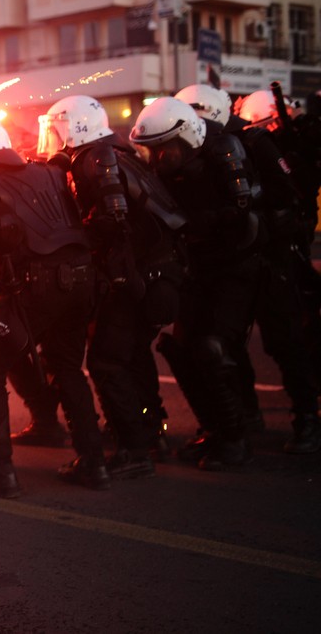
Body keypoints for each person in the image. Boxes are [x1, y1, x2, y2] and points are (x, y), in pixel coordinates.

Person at [0, 113, 105, 497]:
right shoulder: (47, 171)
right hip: (82, 279)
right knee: (68, 367)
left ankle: (0, 471)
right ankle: (94, 462)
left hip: (31, 287)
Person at [39, 95, 188, 478]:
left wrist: (73, 238)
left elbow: (113, 222)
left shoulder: (97, 159)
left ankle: (135, 449)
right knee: (133, 356)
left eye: (56, 130)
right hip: (156, 276)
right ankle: (151, 433)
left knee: (106, 362)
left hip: (136, 278)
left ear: (73, 127)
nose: (52, 139)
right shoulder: (116, 152)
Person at [130, 96, 260, 470]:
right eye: (151, 152)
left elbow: (242, 210)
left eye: (164, 152)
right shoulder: (166, 170)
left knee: (212, 348)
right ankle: (212, 429)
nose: (157, 160)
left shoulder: (222, 154)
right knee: (179, 348)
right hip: (196, 269)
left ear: (185, 137)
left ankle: (235, 438)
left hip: (236, 266)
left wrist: (198, 222)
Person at [230, 87, 321, 454]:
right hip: (254, 260)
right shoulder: (272, 154)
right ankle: (248, 414)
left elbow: (290, 205)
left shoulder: (292, 159)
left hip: (281, 262)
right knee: (235, 339)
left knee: (286, 342)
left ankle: (307, 420)